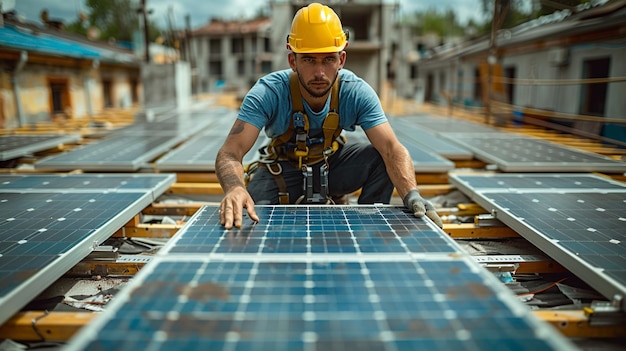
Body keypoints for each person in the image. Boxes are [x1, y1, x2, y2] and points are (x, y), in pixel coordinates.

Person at [216, 2, 442, 229]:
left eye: (328, 59)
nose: (319, 72)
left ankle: (369, 230)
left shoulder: (356, 92)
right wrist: (235, 188)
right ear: (293, 60)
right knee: (252, 219)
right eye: (309, 59)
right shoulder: (268, 92)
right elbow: (230, 153)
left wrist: (411, 195)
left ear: (341, 60)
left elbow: (392, 149)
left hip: (331, 167)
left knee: (380, 159)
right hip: (282, 171)